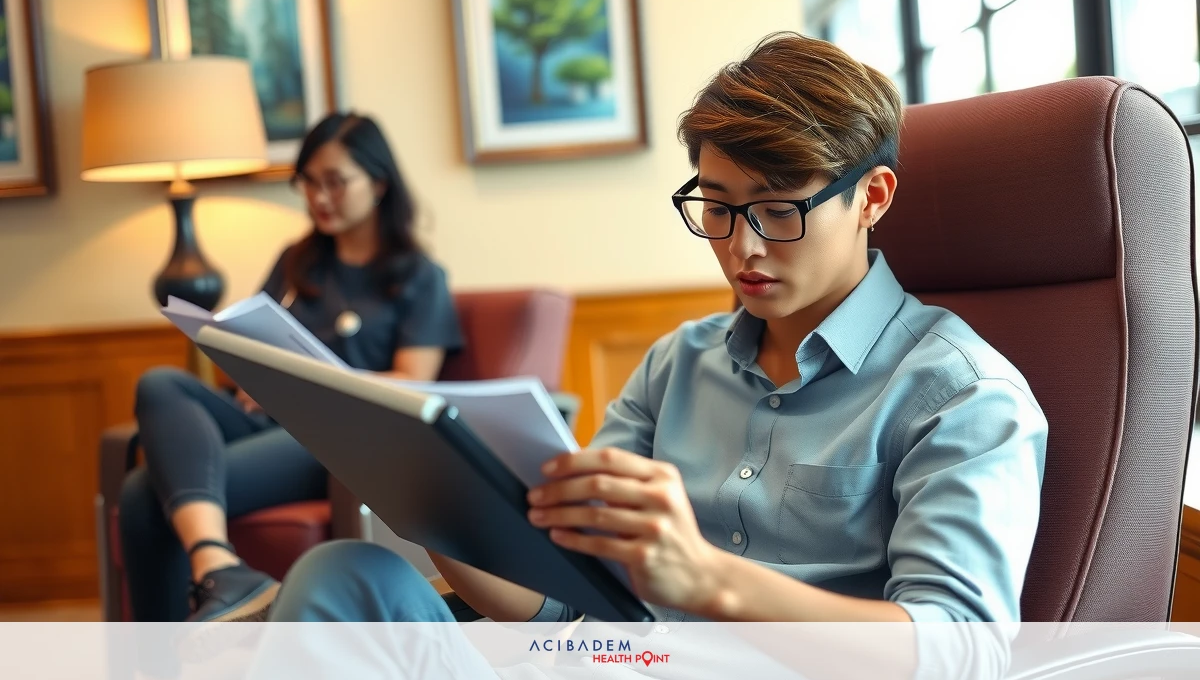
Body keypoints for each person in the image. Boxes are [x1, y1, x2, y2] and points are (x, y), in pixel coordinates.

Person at [266, 34, 1048, 634]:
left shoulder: (962, 398)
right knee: (344, 576)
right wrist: (427, 500)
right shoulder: (678, 362)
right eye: (716, 206)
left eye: (780, 209)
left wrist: (707, 581)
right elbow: (552, 601)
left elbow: (960, 649)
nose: (741, 247)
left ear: (872, 197)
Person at [119, 112, 465, 623]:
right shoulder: (297, 262)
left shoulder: (418, 276)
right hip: (263, 419)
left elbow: (410, 382)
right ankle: (219, 569)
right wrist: (249, 368)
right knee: (160, 383)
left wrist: (305, 384)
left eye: (334, 182)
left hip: (330, 438)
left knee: (143, 493)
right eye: (308, 182)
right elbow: (248, 342)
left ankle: (167, 653)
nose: (318, 198)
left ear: (378, 183)